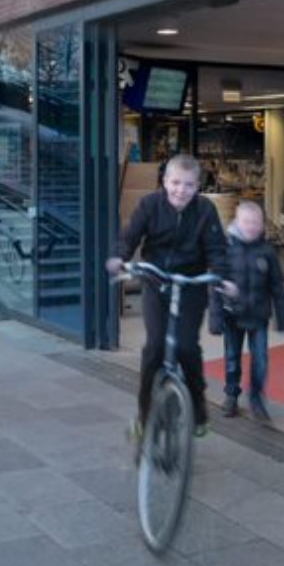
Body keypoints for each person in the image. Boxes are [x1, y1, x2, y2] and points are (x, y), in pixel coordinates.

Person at [106, 153, 238, 441]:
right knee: (154, 348)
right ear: (165, 181)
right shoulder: (149, 205)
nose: (181, 190)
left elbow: (217, 248)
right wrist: (120, 257)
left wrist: (224, 277)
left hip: (191, 285)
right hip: (156, 283)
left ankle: (199, 409)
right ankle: (144, 418)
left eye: (189, 185)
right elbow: (130, 236)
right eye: (175, 183)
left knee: (187, 347)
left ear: (197, 186)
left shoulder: (205, 210)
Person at [210, 202, 284, 422]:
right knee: (232, 358)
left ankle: (256, 398)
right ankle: (231, 395)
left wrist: (281, 317)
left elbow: (277, 286)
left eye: (256, 222)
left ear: (262, 224)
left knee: (260, 360)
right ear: (237, 222)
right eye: (246, 222)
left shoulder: (267, 252)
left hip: (259, 316)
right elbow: (215, 285)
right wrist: (215, 319)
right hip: (232, 316)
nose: (251, 226)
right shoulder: (226, 249)